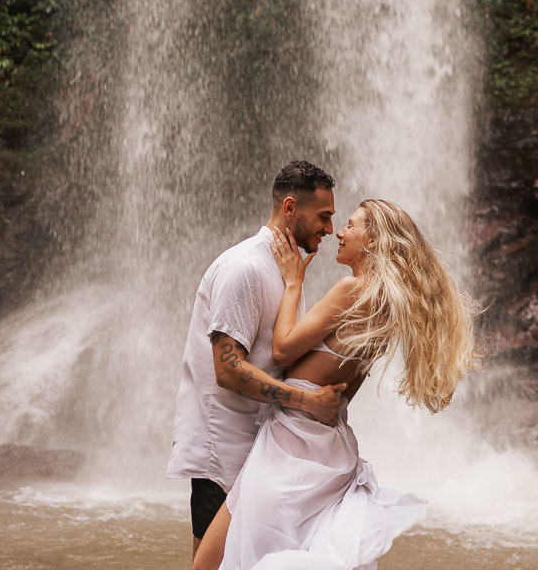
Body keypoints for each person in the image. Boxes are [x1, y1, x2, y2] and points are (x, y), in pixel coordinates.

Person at [192, 199, 478, 570]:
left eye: (349, 225)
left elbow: (281, 351)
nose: (338, 232)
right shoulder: (386, 306)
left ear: (373, 240)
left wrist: (294, 282)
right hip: (329, 443)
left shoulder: (350, 290)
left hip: (291, 442)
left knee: (209, 565)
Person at [167, 161, 348, 562]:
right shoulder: (244, 269)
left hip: (259, 444)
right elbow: (228, 369)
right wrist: (307, 402)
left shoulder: (285, 270)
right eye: (323, 217)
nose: (330, 230)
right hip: (224, 446)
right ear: (290, 208)